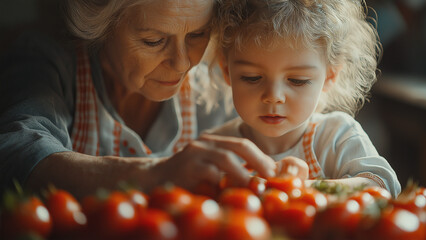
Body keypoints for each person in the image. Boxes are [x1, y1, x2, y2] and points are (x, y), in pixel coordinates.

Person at [0, 0, 277, 199]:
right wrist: (153, 174)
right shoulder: (51, 62)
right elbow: (14, 150)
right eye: (154, 40)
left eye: (197, 35)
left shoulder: (218, 85)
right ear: (104, 26)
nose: (182, 63)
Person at [207, 0, 401, 196]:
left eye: (297, 80)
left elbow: (385, 185)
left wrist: (301, 187)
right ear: (226, 70)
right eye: (252, 77)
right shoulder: (216, 147)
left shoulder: (336, 136)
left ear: (330, 76)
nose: (273, 97)